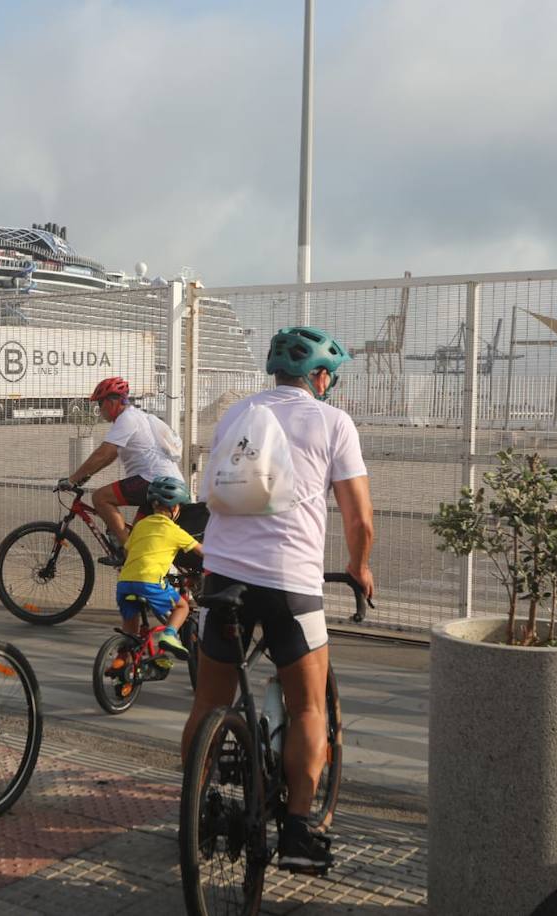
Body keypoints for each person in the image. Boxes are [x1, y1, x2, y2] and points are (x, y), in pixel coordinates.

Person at [180, 325, 375, 873]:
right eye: (329, 378)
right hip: (291, 585)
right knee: (310, 706)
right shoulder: (333, 421)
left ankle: (195, 810)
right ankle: (296, 832)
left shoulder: (236, 415)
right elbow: (359, 517)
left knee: (207, 704)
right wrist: (359, 568)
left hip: (221, 581)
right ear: (319, 377)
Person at [60, 376, 183, 565]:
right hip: (168, 482)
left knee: (100, 498)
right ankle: (138, 562)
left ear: (112, 402)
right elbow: (110, 456)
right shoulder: (137, 416)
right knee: (141, 538)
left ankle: (128, 554)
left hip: (153, 481)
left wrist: (73, 479)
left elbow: (104, 453)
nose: (99, 409)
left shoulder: (127, 419)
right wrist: (86, 475)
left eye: (100, 403)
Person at [111, 476, 202, 670]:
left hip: (125, 582)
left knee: (131, 630)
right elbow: (201, 552)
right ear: (176, 508)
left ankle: (122, 664)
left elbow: (128, 550)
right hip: (150, 582)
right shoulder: (174, 530)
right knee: (182, 607)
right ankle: (169, 634)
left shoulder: (140, 526)